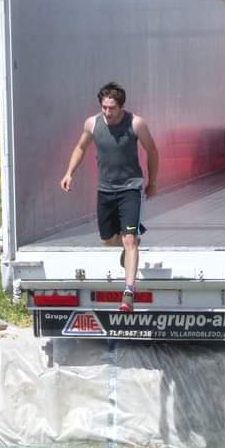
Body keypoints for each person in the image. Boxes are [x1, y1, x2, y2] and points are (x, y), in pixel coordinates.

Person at [60, 82, 159, 312]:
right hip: (105, 190)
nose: (107, 112)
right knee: (107, 241)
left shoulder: (136, 123)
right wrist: (69, 173)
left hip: (130, 188)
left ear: (121, 107)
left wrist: (152, 182)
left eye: (112, 108)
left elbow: (152, 151)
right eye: (104, 107)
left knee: (129, 240)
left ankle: (128, 293)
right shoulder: (92, 124)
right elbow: (80, 147)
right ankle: (129, 240)